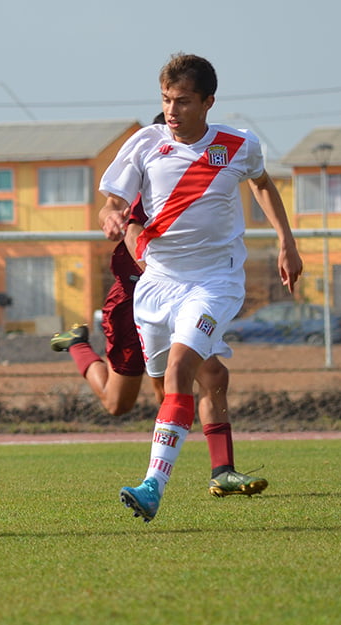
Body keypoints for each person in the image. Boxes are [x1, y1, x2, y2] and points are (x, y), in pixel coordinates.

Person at [97, 53, 302, 522]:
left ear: (209, 102)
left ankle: (153, 487)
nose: (172, 110)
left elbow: (262, 184)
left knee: (180, 369)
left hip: (214, 281)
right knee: (170, 385)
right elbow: (112, 202)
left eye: (184, 101)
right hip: (156, 285)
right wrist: (111, 216)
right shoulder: (145, 143)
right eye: (166, 100)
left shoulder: (238, 144)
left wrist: (287, 243)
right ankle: (216, 468)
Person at [51, 197, 266, 498]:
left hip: (188, 295)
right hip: (134, 299)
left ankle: (222, 471)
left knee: (214, 374)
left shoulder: (204, 182)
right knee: (118, 403)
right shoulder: (153, 177)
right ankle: (78, 344)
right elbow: (117, 211)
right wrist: (111, 218)